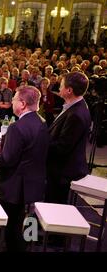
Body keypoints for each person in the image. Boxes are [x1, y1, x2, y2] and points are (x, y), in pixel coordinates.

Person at [0, 86, 50, 252]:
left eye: (14, 99)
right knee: (21, 222)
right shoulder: (42, 122)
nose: (12, 101)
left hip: (14, 186)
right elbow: (28, 149)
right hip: (32, 183)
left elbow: (6, 160)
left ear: (22, 104)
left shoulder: (17, 127)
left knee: (12, 227)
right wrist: (5, 145)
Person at [46, 72, 91, 205]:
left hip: (62, 171)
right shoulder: (75, 106)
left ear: (69, 90)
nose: (59, 88)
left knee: (53, 207)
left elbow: (62, 147)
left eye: (61, 85)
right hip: (60, 167)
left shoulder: (76, 114)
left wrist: (39, 142)